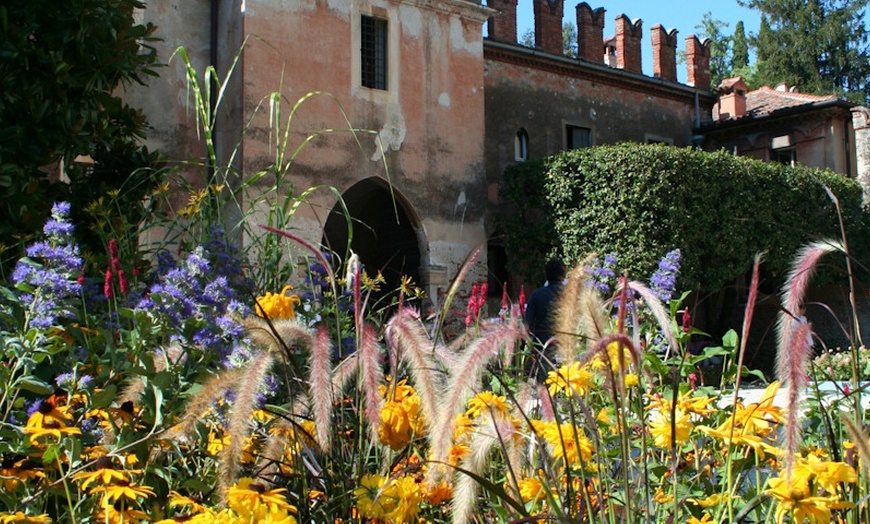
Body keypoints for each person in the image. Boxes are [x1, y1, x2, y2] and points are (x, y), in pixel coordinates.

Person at [524, 258, 566, 382]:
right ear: (563, 275)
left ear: (546, 275)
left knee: (545, 389)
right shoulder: (572, 295)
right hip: (568, 350)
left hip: (543, 350)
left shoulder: (537, 295)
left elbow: (527, 325)